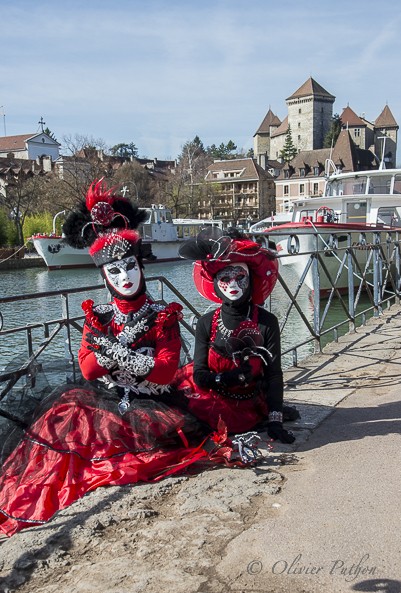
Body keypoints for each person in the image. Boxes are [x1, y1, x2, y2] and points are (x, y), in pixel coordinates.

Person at [0, 181, 240, 538]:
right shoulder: (97, 315)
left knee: (139, 456)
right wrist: (119, 355)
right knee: (54, 451)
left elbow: (164, 373)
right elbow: (87, 369)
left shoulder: (162, 315)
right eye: (114, 271)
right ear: (104, 275)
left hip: (152, 406)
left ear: (140, 266)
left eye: (130, 266)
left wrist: (112, 351)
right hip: (101, 401)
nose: (125, 276)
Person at [176, 228, 296, 443]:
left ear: (250, 278)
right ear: (214, 282)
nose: (232, 284)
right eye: (225, 277)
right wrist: (223, 379)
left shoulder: (267, 322)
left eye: (239, 276)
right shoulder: (206, 323)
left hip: (250, 405)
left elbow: (274, 375)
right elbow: (200, 376)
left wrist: (276, 420)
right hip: (210, 404)